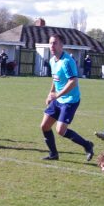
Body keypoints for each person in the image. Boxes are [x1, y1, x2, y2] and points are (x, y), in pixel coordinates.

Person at [41, 33, 94, 161]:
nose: (52, 46)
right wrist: (51, 93)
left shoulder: (67, 61)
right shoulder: (53, 60)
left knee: (60, 130)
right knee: (45, 126)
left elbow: (73, 81)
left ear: (61, 45)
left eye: (55, 43)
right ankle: (54, 154)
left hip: (70, 100)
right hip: (58, 99)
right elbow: (55, 79)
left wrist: (57, 95)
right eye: (50, 43)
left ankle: (87, 145)